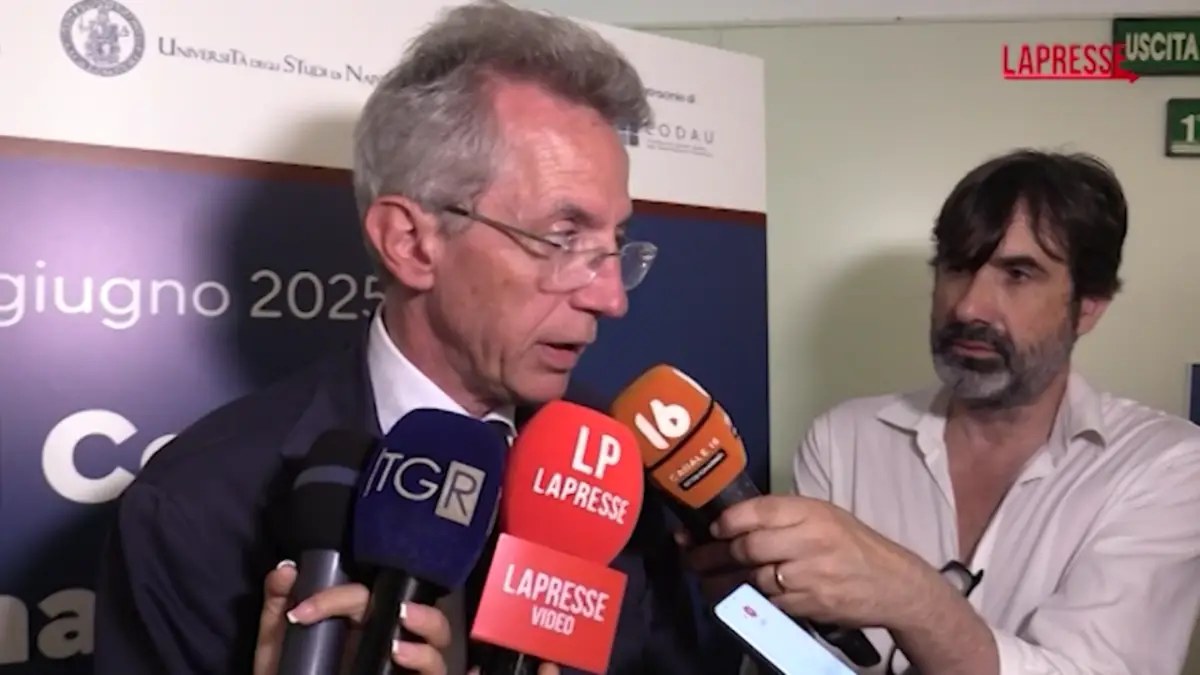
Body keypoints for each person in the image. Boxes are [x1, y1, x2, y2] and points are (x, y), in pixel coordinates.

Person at [94, 2, 707, 673]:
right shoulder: (195, 506)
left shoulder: (615, 468)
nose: (612, 298)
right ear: (411, 243)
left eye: (615, 243)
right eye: (563, 239)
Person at [683, 149, 1200, 675]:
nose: (968, 306)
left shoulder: (1166, 466)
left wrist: (911, 597)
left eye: (1018, 274)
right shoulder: (843, 441)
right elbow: (808, 666)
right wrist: (748, 608)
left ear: (1087, 306)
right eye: (957, 267)